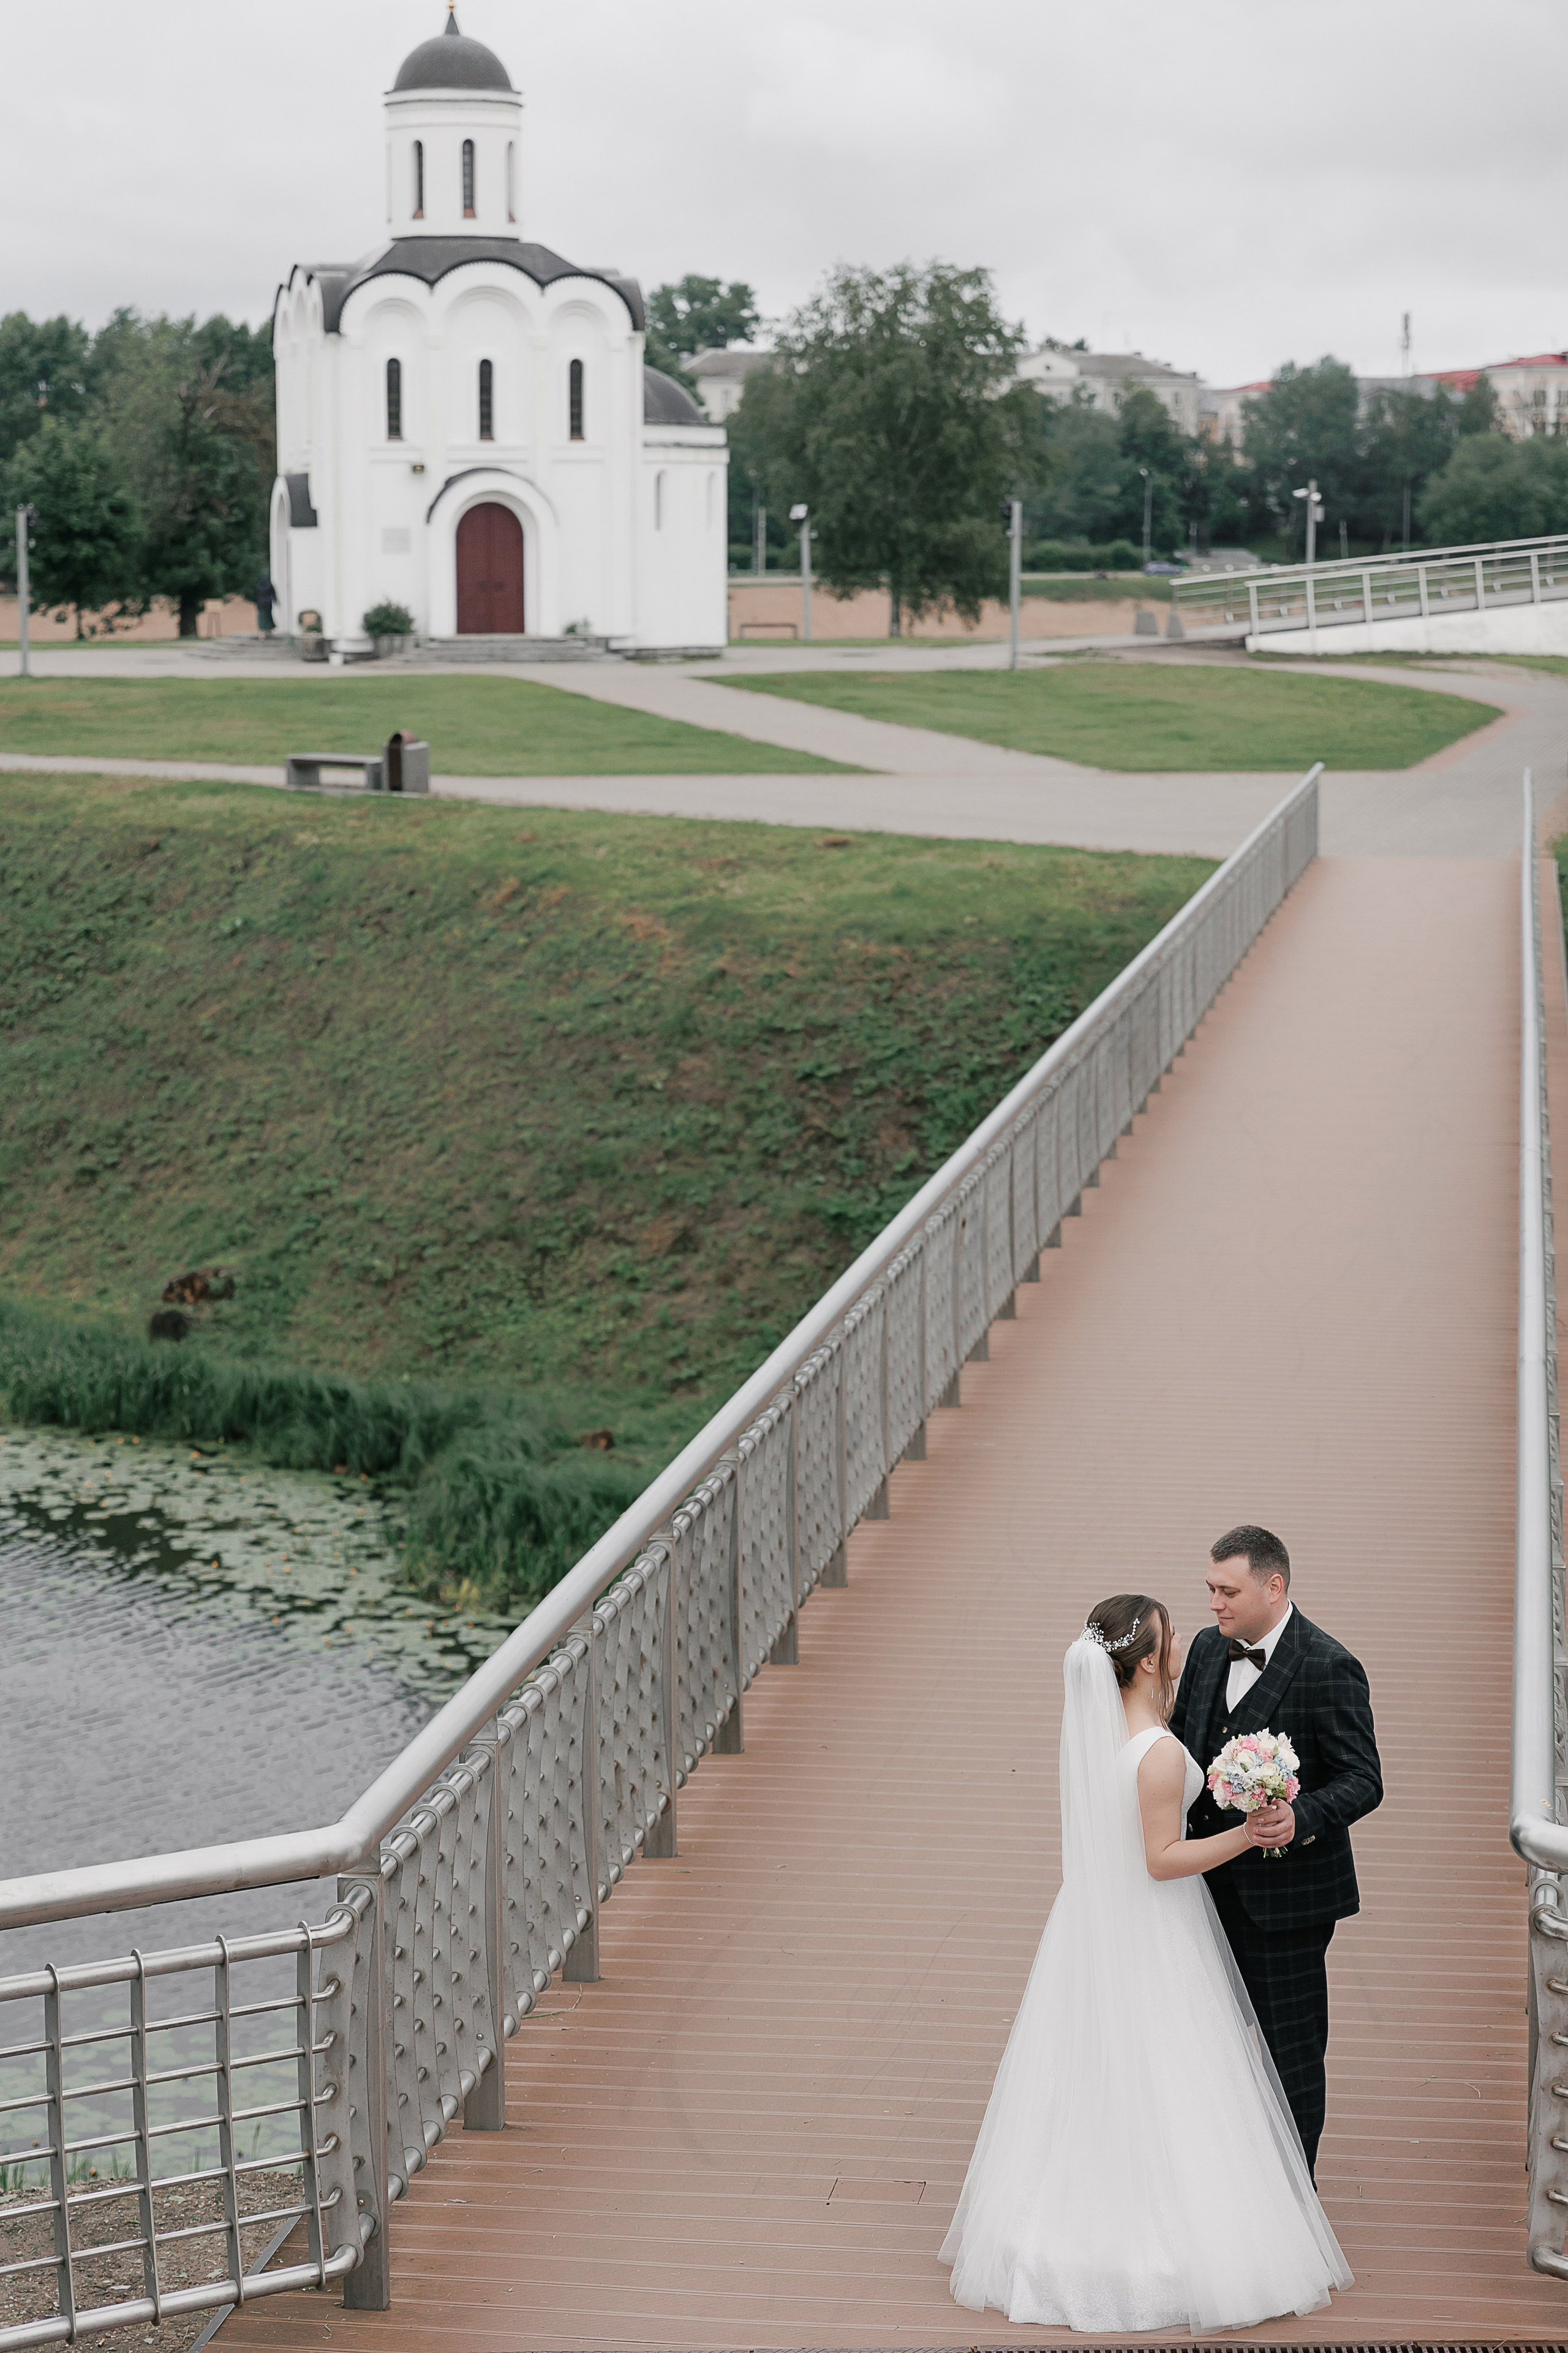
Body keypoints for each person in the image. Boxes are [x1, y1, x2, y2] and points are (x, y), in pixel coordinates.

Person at [941, 1592, 1351, 2334]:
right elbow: (1162, 1860)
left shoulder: (1109, 1736)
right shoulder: (1157, 1751)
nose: (1184, 1642)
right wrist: (1248, 1837)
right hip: (1158, 1922)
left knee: (1108, 2068)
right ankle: (1170, 2231)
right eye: (1169, 1639)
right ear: (1150, 1660)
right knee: (1172, 2065)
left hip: (1101, 1919)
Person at [1169, 1524, 1382, 2180]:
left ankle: (1295, 2204)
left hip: (1287, 1903)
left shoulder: (1328, 1665)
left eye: (1227, 1590)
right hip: (1199, 1889)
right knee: (1205, 2044)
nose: (1213, 1604)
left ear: (1274, 1585)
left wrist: (1301, 1815)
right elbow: (1183, 1746)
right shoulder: (1207, 1650)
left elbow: (1362, 1778)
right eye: (1209, 1589)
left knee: (1290, 2055)